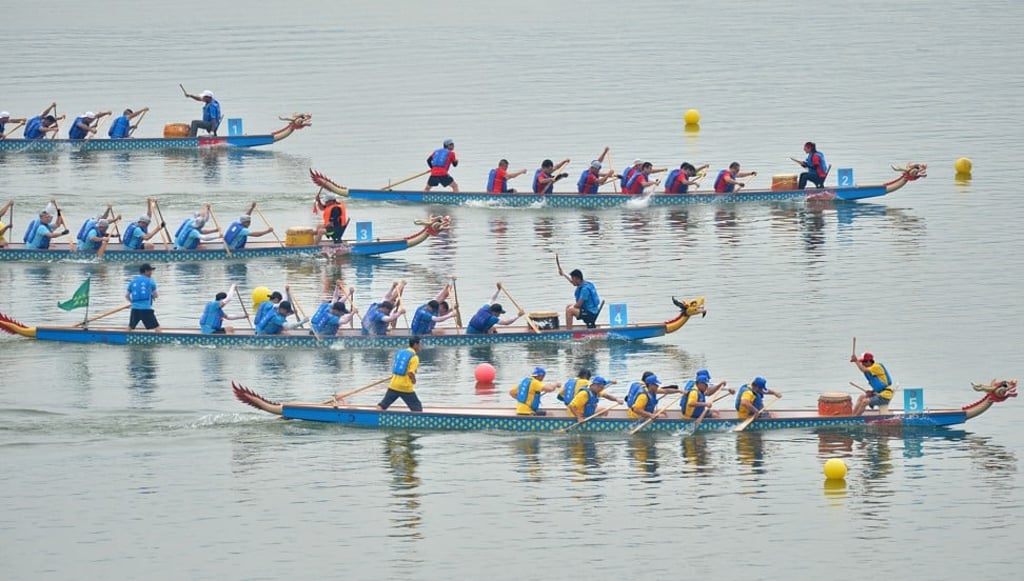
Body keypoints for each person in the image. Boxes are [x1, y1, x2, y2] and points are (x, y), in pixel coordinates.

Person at [377, 337, 425, 412]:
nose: (421, 346)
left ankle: (376, 416)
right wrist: (413, 380)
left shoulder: (400, 352)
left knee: (383, 405)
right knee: (417, 408)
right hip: (405, 387)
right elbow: (410, 373)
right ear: (415, 345)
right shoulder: (414, 357)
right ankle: (418, 421)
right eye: (420, 344)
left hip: (393, 384)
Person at [851, 351, 894, 416]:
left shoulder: (876, 367)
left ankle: (856, 418)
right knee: (861, 397)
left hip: (885, 396)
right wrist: (872, 391)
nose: (862, 364)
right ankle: (852, 415)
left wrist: (856, 361)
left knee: (864, 402)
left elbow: (863, 370)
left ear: (868, 362)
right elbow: (879, 385)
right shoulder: (872, 368)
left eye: (863, 362)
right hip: (879, 394)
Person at [126, 263, 160, 331]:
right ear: (146, 271)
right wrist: (152, 296)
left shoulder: (133, 281)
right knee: (157, 327)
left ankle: (123, 338)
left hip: (135, 309)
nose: (151, 273)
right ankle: (163, 339)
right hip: (146, 309)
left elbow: (126, 295)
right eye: (150, 271)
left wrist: (132, 302)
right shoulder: (151, 281)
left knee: (130, 327)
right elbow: (156, 295)